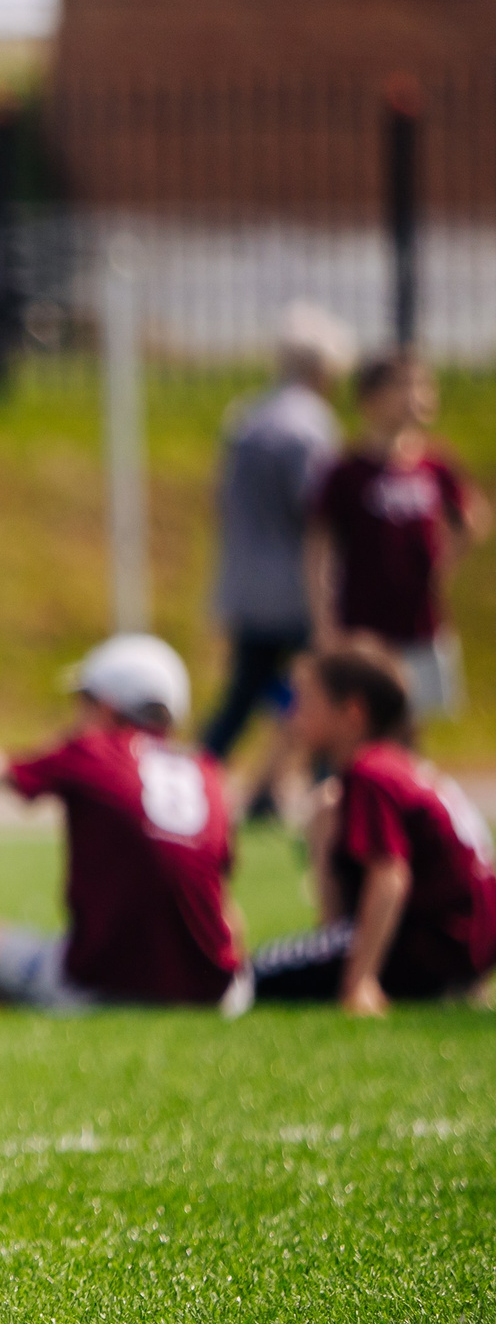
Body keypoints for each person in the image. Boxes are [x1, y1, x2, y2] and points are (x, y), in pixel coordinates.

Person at [0, 634, 247, 1011]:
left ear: (106, 707)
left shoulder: (93, 752)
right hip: (216, 990)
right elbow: (226, 914)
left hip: (98, 984)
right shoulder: (209, 773)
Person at [252, 646, 496, 1011]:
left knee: (252, 975)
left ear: (352, 713)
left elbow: (389, 874)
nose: (293, 715)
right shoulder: (401, 766)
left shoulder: (369, 773)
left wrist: (359, 981)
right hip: (470, 950)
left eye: (307, 701)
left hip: (431, 943)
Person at [201, 304, 350, 809]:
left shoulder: (247, 416)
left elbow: (220, 497)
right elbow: (318, 512)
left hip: (244, 577)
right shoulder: (311, 427)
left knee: (254, 691)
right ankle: (328, 789)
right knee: (316, 692)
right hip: (295, 585)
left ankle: (253, 787)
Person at [307, 355, 489, 722]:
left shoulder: (434, 464)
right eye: (403, 386)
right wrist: (322, 618)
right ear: (370, 399)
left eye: (423, 386)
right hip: (363, 626)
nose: (416, 396)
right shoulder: (348, 471)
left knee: (413, 723)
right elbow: (319, 548)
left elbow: (472, 518)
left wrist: (443, 563)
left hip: (419, 621)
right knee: (358, 723)